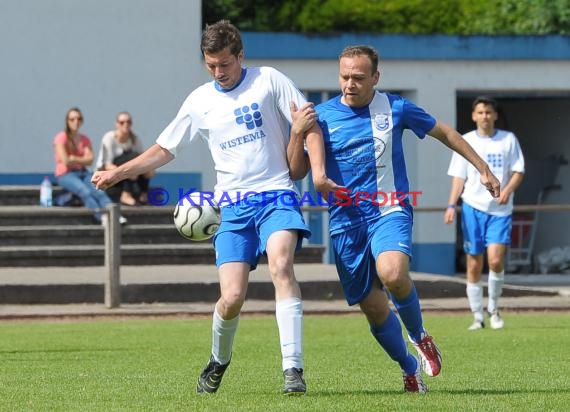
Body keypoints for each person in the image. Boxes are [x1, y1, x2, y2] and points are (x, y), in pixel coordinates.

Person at [91, 20, 336, 395]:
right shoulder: (199, 101)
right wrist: (118, 172)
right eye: (211, 66)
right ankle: (218, 360)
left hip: (276, 194)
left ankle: (293, 369)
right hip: (231, 208)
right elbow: (164, 148)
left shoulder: (269, 80)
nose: (219, 72)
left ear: (241, 55)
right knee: (232, 297)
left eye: (225, 63)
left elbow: (309, 123)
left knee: (281, 266)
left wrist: (317, 174)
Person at [289, 45, 501, 393]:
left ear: (375, 77)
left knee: (392, 272)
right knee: (372, 307)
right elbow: (296, 168)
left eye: (358, 77)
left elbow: (445, 132)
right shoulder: (322, 116)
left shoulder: (396, 108)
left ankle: (419, 335)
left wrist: (483, 169)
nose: (349, 84)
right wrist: (297, 132)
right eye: (344, 76)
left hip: (389, 208)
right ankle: (409, 366)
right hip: (345, 221)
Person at [444, 96, 525, 331]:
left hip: (499, 210)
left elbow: (518, 170)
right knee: (473, 264)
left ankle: (494, 309)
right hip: (472, 207)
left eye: (489, 112)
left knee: (496, 260)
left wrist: (507, 191)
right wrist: (451, 205)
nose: (485, 116)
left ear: (495, 115)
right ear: (474, 116)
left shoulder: (508, 140)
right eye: (480, 112)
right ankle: (477, 316)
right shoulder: (466, 141)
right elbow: (459, 177)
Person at [53, 107, 127, 225]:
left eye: (78, 118)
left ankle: (115, 216)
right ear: (67, 121)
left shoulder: (84, 139)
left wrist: (74, 158)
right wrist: (80, 159)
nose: (75, 121)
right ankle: (101, 217)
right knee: (85, 192)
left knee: (99, 191)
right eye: (72, 119)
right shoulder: (61, 137)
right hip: (65, 174)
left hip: (83, 172)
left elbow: (90, 160)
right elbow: (66, 161)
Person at [96, 112, 155, 205]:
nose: (125, 124)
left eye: (128, 122)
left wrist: (149, 170)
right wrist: (129, 170)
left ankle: (144, 192)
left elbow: (143, 158)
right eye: (122, 122)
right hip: (107, 172)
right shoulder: (109, 138)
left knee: (140, 161)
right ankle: (126, 193)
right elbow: (107, 165)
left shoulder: (135, 138)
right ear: (116, 124)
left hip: (127, 174)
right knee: (131, 160)